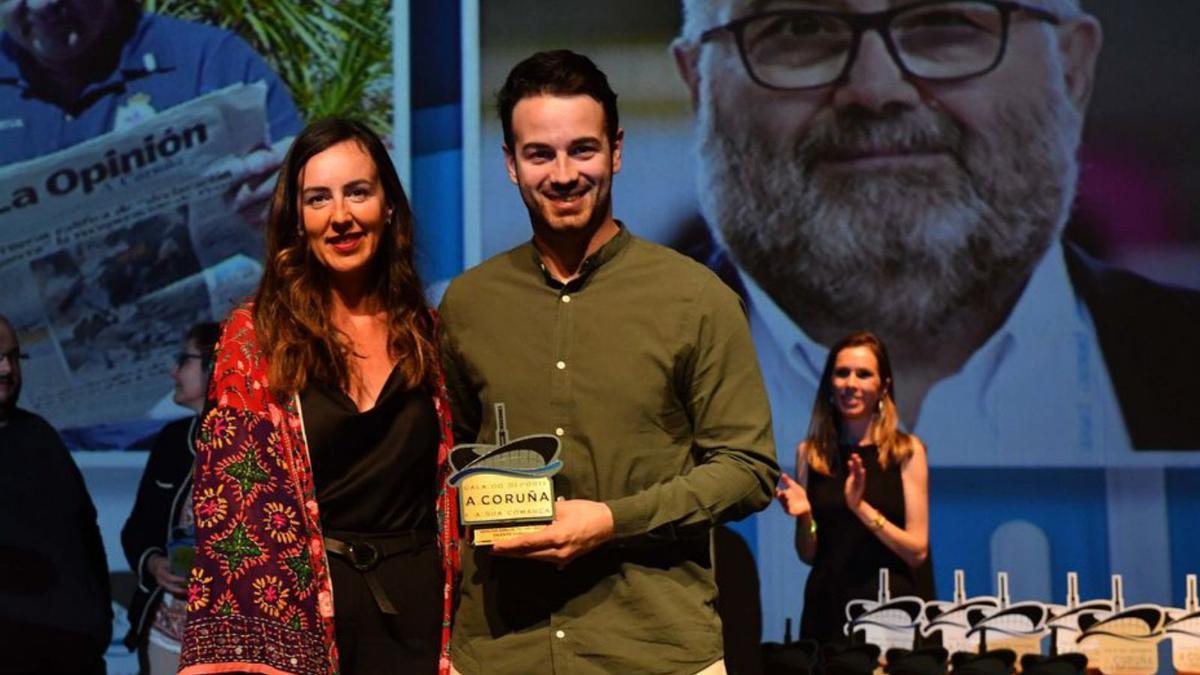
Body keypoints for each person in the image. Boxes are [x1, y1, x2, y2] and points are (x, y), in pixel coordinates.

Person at [670, 0, 1200, 465]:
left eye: (945, 23)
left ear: (1071, 69)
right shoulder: (590, 401)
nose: (875, 89)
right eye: (799, 28)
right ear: (698, 83)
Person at [439, 49, 779, 675]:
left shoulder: (696, 298)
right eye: (540, 154)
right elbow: (453, 458)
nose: (564, 174)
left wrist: (612, 521)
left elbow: (748, 468)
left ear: (616, 151)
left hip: (655, 651)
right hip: (501, 651)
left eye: (583, 150)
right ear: (511, 164)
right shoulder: (469, 305)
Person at [178, 118, 458, 675]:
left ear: (390, 208)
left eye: (358, 192)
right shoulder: (255, 337)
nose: (341, 216)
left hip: (424, 618)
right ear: (296, 220)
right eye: (318, 199)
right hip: (305, 618)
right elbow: (235, 517)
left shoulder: (431, 334)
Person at [776, 331, 933, 647]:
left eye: (863, 374)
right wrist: (806, 517)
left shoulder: (906, 451)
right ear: (830, 383)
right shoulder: (812, 454)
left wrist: (860, 508)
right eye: (842, 373)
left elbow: (917, 550)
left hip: (894, 612)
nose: (851, 383)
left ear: (883, 386)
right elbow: (809, 554)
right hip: (829, 611)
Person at [0, 313, 112, 674]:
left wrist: (98, 621)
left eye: (14, 357)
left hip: (72, 648)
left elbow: (85, 531)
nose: (6, 369)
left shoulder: (39, 433)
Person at [120, 322, 220, 674]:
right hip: (166, 636)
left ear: (216, 367)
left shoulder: (259, 445)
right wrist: (154, 564)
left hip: (233, 643)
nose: (173, 371)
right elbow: (136, 530)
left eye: (184, 360)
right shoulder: (171, 441)